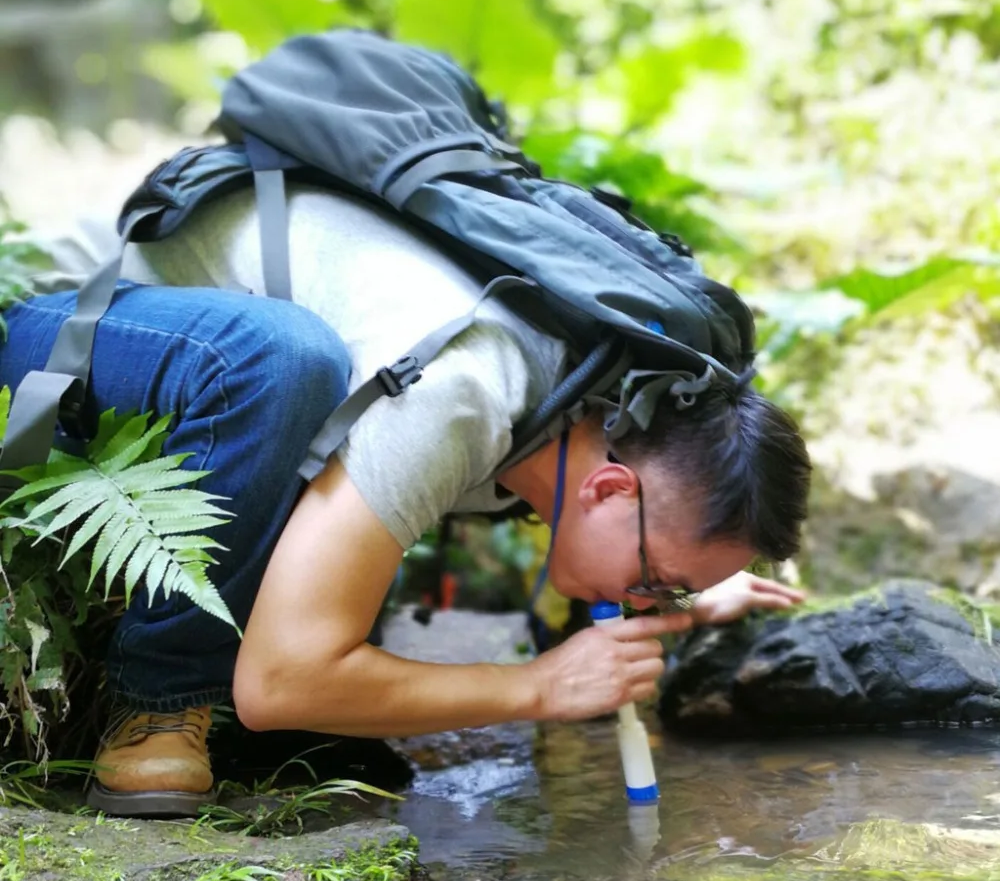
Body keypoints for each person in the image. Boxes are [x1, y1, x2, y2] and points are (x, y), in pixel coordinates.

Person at [6, 180, 811, 817]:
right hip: (68, 335)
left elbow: (623, 522)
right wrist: (536, 687)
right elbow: (278, 685)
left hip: (168, 360)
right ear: (608, 486)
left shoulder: (586, 403)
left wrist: (690, 575)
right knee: (284, 361)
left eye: (666, 593)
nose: (648, 601)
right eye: (656, 580)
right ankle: (160, 700)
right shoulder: (460, 392)